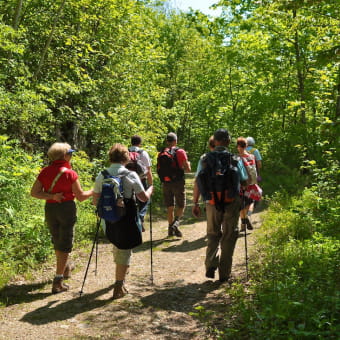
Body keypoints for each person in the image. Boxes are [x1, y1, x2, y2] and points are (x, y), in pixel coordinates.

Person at [31, 143, 93, 294]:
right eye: (70, 153)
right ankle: (58, 281)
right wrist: (95, 190)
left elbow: (35, 193)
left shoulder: (45, 172)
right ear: (64, 156)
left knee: (57, 239)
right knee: (65, 242)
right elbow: (81, 197)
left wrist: (52, 196)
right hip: (66, 209)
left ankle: (65, 269)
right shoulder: (70, 173)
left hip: (50, 209)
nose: (71, 156)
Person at [92, 143, 153, 299]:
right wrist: (150, 189)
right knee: (125, 249)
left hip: (108, 218)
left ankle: (121, 273)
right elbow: (143, 198)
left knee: (118, 245)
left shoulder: (102, 175)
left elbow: (95, 201)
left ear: (110, 157)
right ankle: (119, 285)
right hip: (126, 217)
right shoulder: (130, 175)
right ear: (126, 158)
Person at [192, 129, 247, 283]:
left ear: (214, 141)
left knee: (212, 233)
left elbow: (198, 181)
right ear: (228, 141)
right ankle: (224, 273)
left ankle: (210, 264)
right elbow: (244, 180)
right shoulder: (235, 158)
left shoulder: (204, 159)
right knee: (229, 236)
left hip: (211, 202)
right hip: (231, 202)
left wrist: (196, 203)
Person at [158, 132, 191, 237]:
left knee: (170, 207)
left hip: (166, 182)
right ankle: (176, 223)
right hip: (178, 182)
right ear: (176, 141)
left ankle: (170, 229)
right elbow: (188, 169)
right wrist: (187, 165)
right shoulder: (180, 152)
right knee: (181, 205)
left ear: (167, 141)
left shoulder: (161, 153)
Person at [127, 135, 153, 230]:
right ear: (140, 143)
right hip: (141, 180)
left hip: (128, 181)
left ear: (131, 142)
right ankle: (140, 218)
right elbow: (148, 170)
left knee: (130, 201)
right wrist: (151, 185)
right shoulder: (143, 153)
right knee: (146, 200)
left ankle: (132, 221)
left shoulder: (125, 152)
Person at [237, 137, 258, 231]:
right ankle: (247, 217)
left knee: (241, 204)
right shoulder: (252, 156)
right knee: (250, 202)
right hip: (252, 184)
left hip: (241, 184)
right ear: (246, 146)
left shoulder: (237, 158)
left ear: (238, 146)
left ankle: (243, 222)